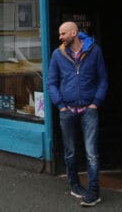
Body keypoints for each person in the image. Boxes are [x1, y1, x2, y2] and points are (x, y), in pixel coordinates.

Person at [46, 21, 107, 208]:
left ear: (74, 32)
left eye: (63, 33)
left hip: (89, 110)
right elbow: (51, 82)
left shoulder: (94, 51)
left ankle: (93, 192)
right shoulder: (58, 54)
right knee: (70, 152)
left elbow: (103, 79)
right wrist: (60, 105)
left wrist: (96, 103)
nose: (60, 37)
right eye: (60, 34)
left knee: (92, 153)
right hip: (67, 111)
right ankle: (74, 185)